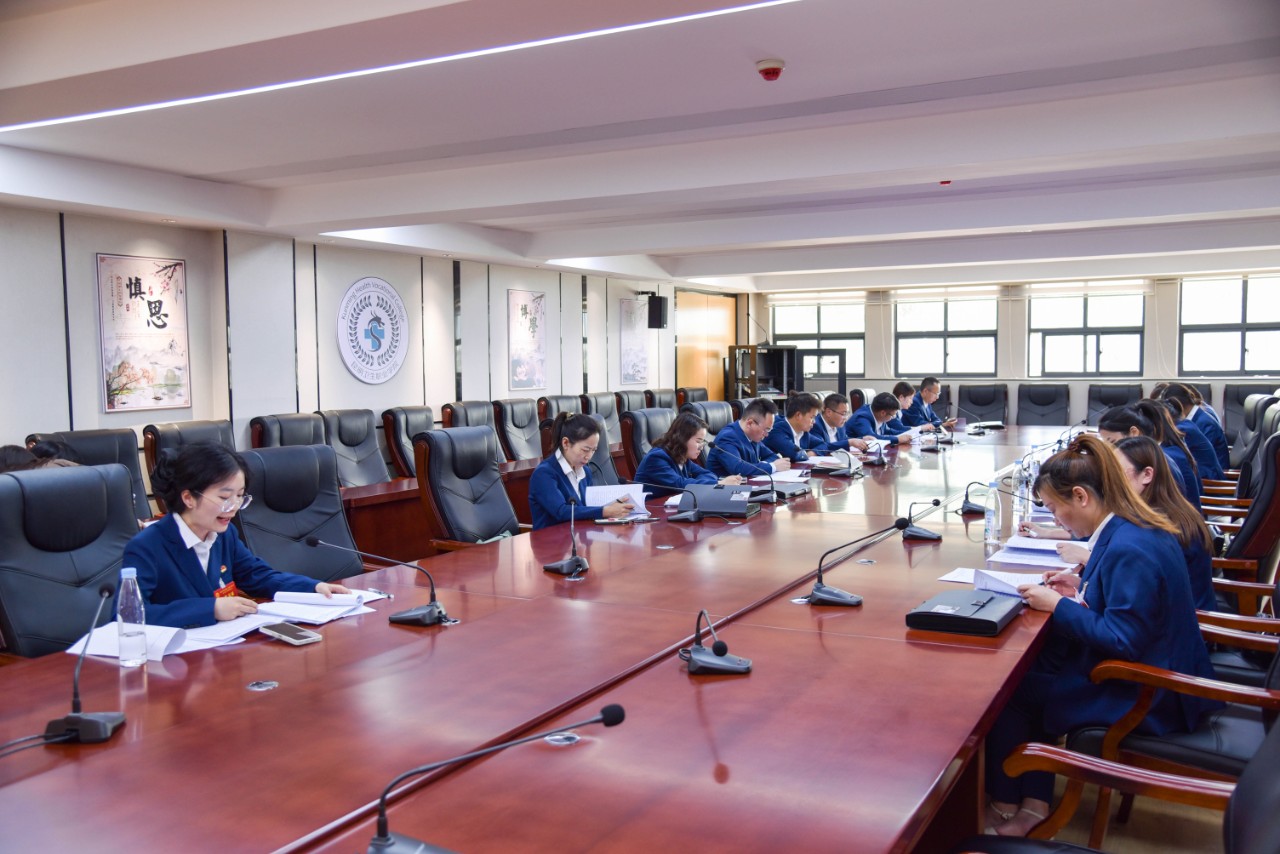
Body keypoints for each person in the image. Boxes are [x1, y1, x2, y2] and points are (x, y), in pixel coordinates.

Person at [985, 434, 1219, 837]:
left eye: (1054, 508)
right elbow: (1131, 607)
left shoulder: (1129, 546)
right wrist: (1080, 590)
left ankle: (1006, 806)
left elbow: (1123, 639)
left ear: (1081, 496)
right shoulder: (1130, 528)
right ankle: (1033, 805)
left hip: (1150, 693)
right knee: (1035, 676)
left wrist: (1058, 606)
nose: (1056, 520)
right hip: (1156, 669)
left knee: (1009, 693)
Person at [122, 442, 351, 628]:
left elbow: (257, 575)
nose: (233, 507)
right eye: (224, 498)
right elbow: (128, 616)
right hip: (174, 659)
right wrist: (210, 609)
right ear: (189, 498)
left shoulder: (224, 534)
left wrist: (313, 587)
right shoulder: (148, 546)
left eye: (240, 496)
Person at [1114, 435, 1217, 611]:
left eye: (1117, 473)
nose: (1110, 481)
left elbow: (1139, 597)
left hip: (1191, 620)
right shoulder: (1172, 509)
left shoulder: (1159, 527)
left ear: (1147, 475)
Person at [529, 412, 635, 529]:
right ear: (565, 443)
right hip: (551, 538)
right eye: (585, 450)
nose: (589, 456)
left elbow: (585, 509)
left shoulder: (586, 472)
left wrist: (612, 506)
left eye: (593, 450)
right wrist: (606, 511)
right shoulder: (544, 473)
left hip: (580, 535)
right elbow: (561, 512)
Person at [1097, 402, 1200, 509]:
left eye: (1113, 442)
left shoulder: (1159, 461)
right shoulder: (1154, 455)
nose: (1111, 450)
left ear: (1134, 433)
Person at [633, 411, 744, 495]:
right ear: (682, 438)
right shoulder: (657, 458)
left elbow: (709, 474)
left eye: (703, 442)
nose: (701, 447)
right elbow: (681, 484)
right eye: (698, 441)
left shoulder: (682, 457)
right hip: (652, 513)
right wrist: (719, 484)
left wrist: (707, 482)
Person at [707, 398, 792, 478]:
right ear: (750, 423)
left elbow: (772, 456)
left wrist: (763, 465)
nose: (767, 435)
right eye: (766, 429)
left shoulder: (753, 436)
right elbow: (737, 468)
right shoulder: (727, 437)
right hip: (725, 487)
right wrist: (772, 466)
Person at [1161, 384, 1228, 474]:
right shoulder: (1193, 419)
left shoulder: (1205, 423)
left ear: (1177, 405)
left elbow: (1202, 459)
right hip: (1199, 472)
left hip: (1210, 478)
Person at [764, 393, 823, 462]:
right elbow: (794, 454)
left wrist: (812, 453)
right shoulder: (776, 430)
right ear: (798, 415)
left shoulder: (803, 432)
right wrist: (806, 455)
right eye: (812, 417)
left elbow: (824, 445)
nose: (814, 422)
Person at [847, 392, 914, 445]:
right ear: (883, 413)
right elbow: (871, 438)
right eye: (892, 415)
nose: (893, 418)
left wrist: (909, 433)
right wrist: (897, 439)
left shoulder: (878, 415)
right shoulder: (861, 418)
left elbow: (888, 431)